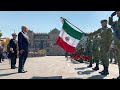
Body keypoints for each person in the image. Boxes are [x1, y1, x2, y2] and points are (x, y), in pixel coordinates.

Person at [109, 11, 120, 79]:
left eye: (118, 11)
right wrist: (111, 17)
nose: (117, 13)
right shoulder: (116, 22)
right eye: (116, 12)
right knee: (119, 59)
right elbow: (111, 23)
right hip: (117, 43)